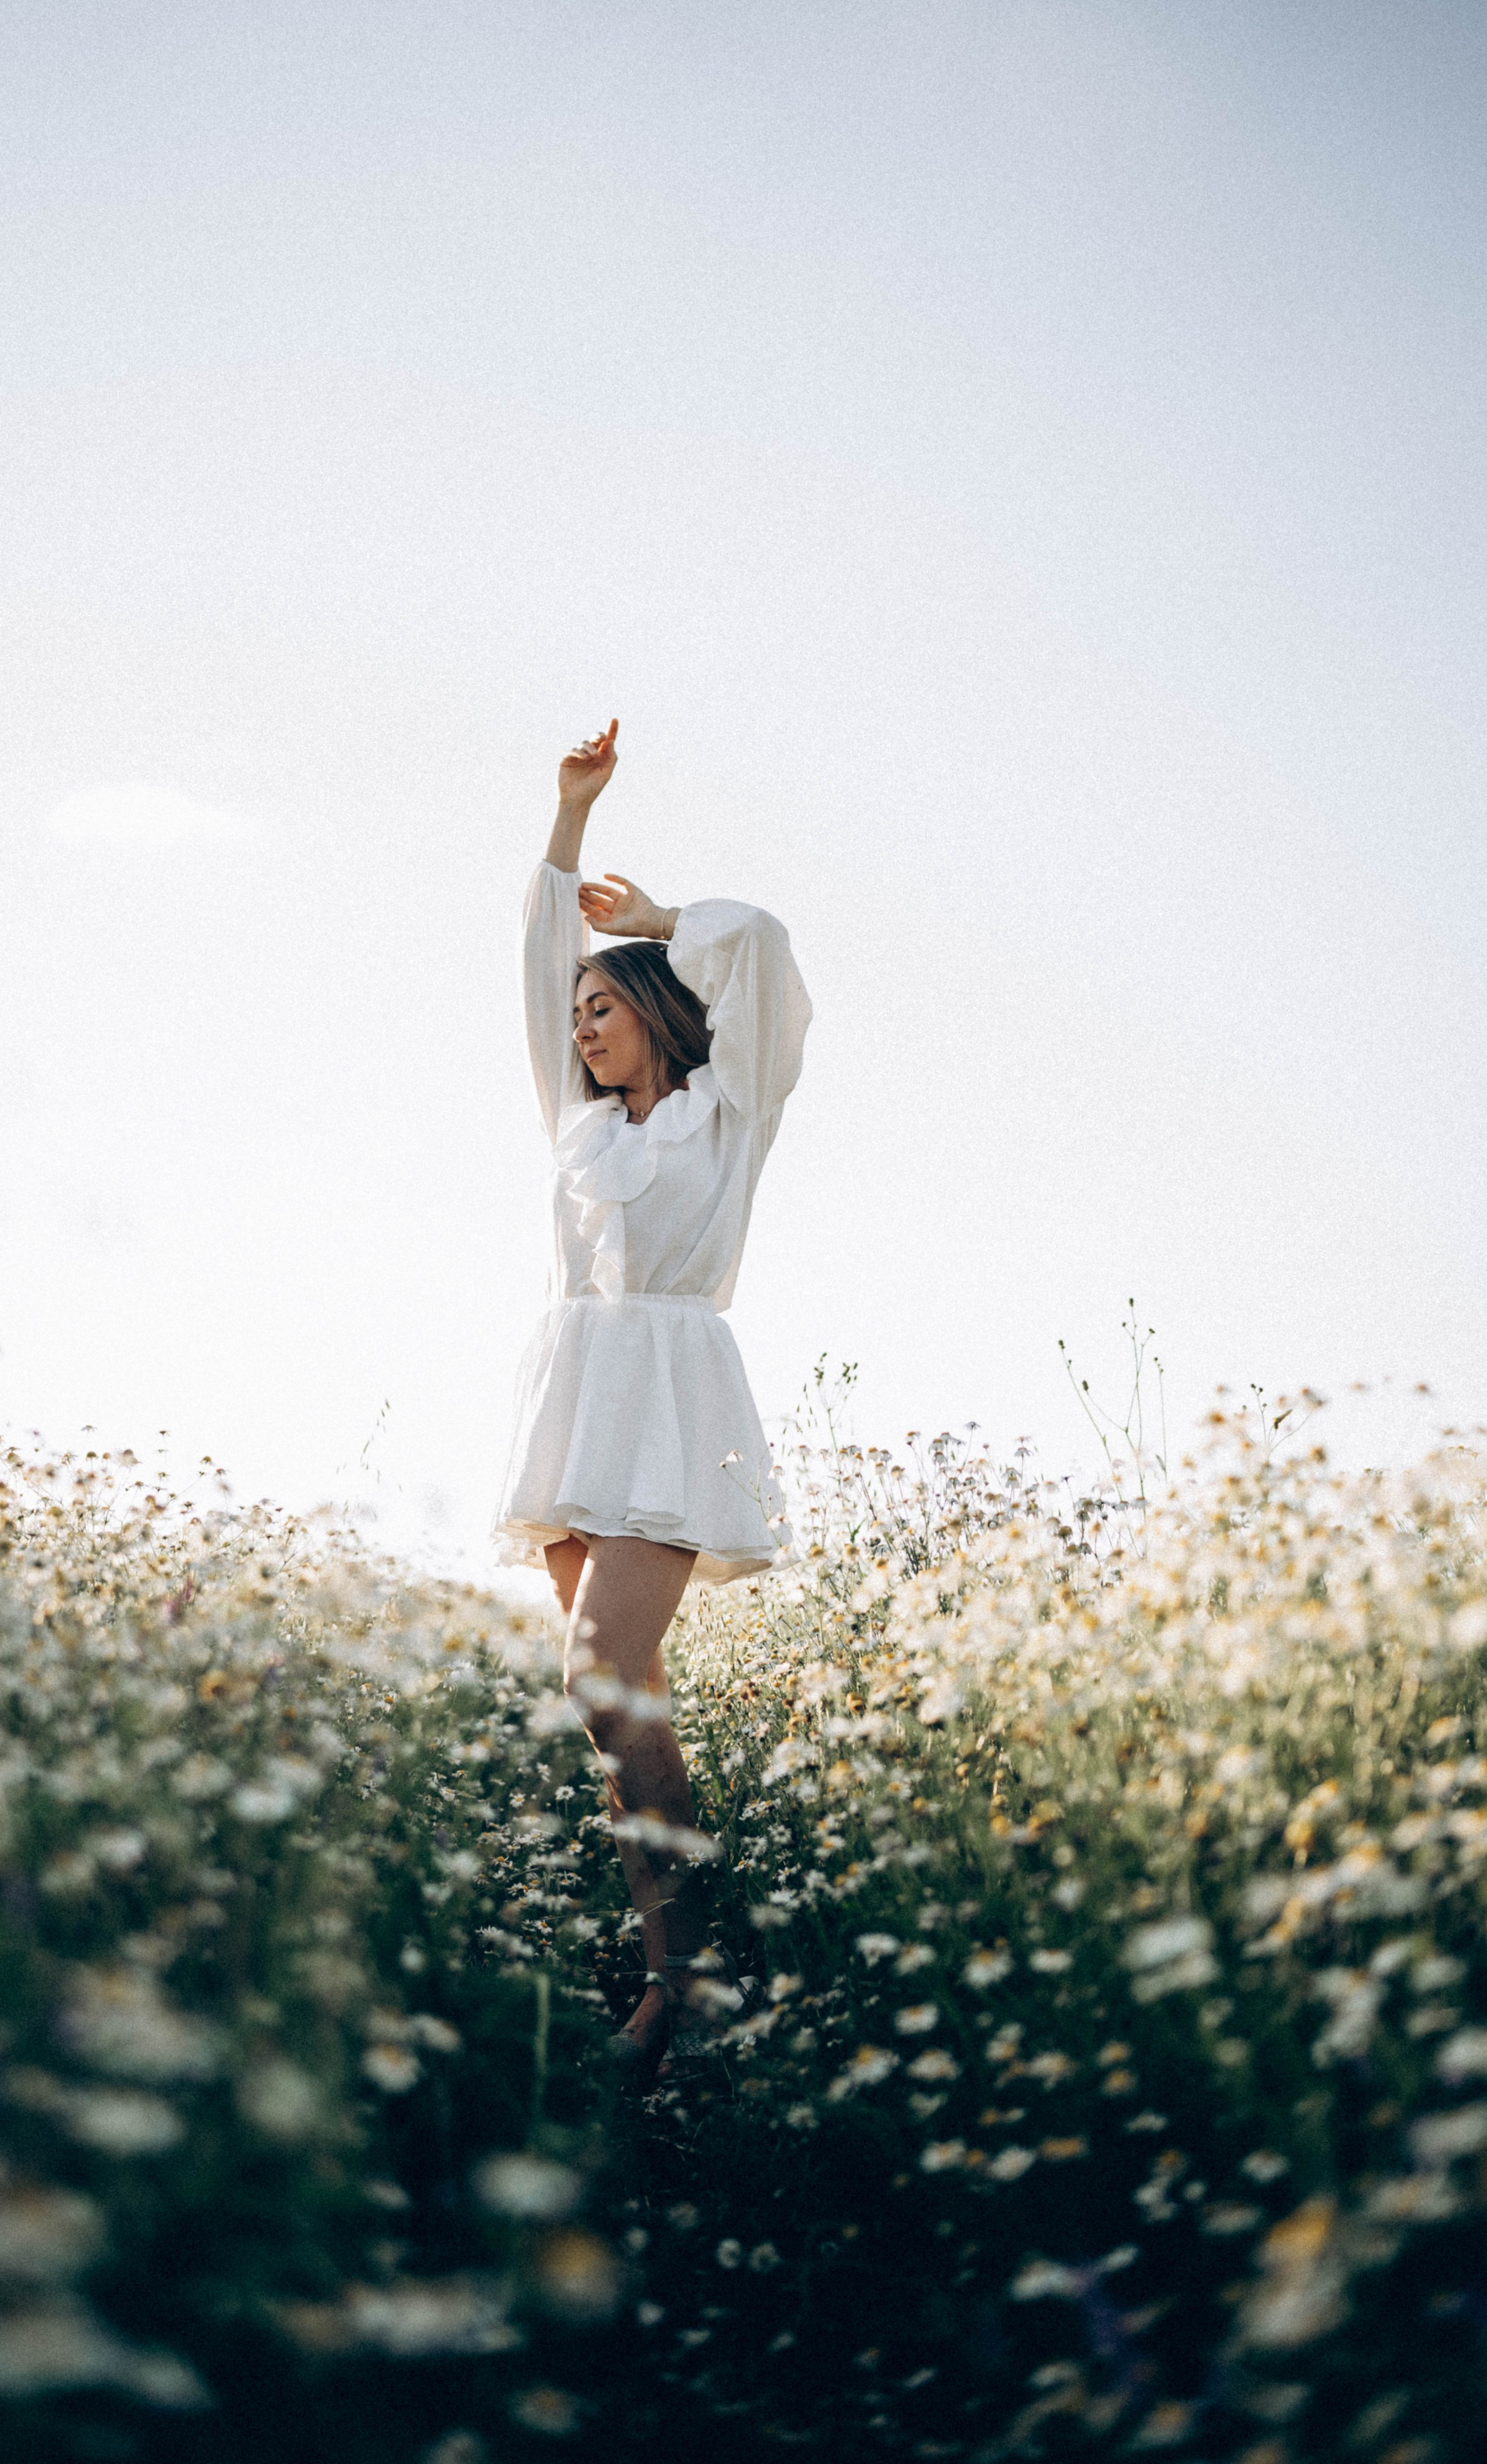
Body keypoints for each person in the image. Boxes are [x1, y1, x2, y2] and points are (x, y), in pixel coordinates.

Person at [494, 719, 813, 2082]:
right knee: (621, 1715)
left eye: (603, 1005)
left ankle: (684, 1975)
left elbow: (763, 948)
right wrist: (563, 822)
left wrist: (660, 912)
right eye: (575, 1014)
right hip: (578, 1390)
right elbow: (529, 961)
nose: (578, 1024)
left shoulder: (729, 1113)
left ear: (658, 1015)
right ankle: (678, 1979)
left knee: (599, 1674)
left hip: (674, 1392)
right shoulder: (575, 1131)